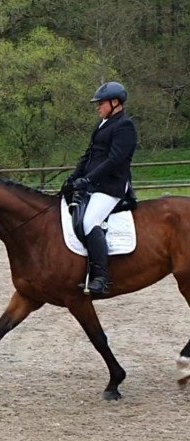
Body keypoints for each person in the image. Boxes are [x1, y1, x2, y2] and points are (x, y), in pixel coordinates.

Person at [67, 81, 138, 294]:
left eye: (101, 103)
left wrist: (88, 180)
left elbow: (115, 160)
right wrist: (74, 178)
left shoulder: (125, 126)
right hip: (94, 184)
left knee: (90, 221)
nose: (98, 107)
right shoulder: (102, 125)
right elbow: (90, 155)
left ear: (115, 103)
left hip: (111, 187)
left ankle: (101, 278)